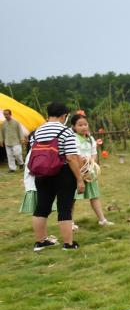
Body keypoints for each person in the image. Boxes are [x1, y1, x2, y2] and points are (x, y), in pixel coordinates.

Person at [29, 103, 84, 251]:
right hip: (63, 172)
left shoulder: (36, 132)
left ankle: (40, 242)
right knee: (64, 207)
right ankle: (68, 244)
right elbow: (71, 157)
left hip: (41, 173)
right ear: (64, 116)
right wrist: (79, 179)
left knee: (42, 207)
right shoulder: (66, 132)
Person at [70, 114, 112, 226]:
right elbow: (75, 155)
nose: (83, 127)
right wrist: (83, 163)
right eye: (80, 125)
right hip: (77, 172)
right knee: (72, 198)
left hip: (90, 172)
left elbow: (94, 153)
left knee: (94, 196)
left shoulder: (90, 139)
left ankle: (102, 220)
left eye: (85, 124)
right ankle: (70, 222)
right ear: (74, 127)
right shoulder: (73, 139)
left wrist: (91, 162)